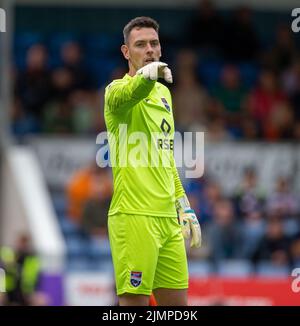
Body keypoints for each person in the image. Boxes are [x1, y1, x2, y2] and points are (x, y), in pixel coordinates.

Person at [104, 16, 202, 306]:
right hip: (134, 217)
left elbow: (166, 156)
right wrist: (147, 77)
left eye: (154, 43)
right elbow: (129, 92)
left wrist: (182, 203)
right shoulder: (115, 92)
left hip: (167, 221)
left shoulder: (163, 94)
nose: (149, 49)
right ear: (126, 52)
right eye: (140, 44)